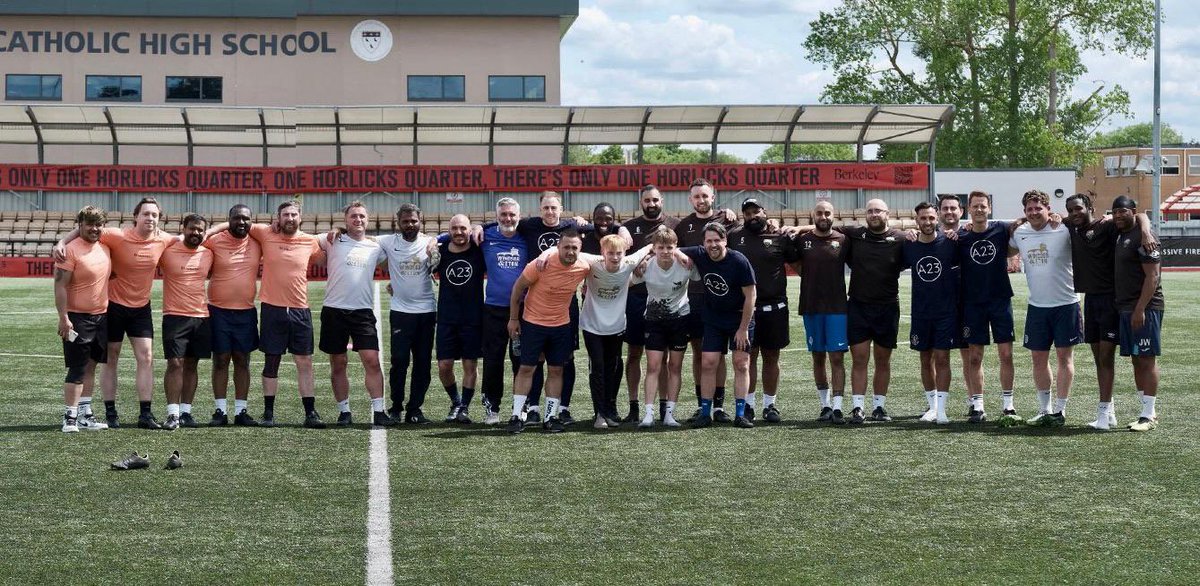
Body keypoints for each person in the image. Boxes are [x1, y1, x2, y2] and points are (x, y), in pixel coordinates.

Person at [54, 196, 178, 429]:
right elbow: (88, 227)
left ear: (159, 219)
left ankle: (145, 414)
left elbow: (193, 237)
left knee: (147, 357)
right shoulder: (117, 235)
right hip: (112, 307)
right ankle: (109, 413)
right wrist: (62, 241)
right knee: (108, 359)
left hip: (141, 308)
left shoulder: (164, 239)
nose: (150, 218)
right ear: (135, 217)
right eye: (145, 214)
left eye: (154, 215)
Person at [1064, 192, 1156, 430]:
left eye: (1078, 209)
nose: (1074, 213)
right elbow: (1043, 217)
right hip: (1091, 299)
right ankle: (1108, 413)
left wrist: (1146, 230)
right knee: (1099, 358)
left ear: (1089, 207)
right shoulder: (1071, 226)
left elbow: (1140, 215)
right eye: (1070, 210)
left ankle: (1140, 412)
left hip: (1112, 300)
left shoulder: (1108, 226)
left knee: (1113, 356)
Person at [244, 200, 326, 428]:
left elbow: (329, 256)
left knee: (305, 361)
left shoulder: (310, 241)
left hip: (300, 309)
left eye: (293, 215)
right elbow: (237, 225)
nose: (290, 218)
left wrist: (336, 234)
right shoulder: (264, 232)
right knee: (272, 361)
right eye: (285, 215)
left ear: (300, 217)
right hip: (272, 309)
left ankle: (310, 413)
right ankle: (268, 413)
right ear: (278, 218)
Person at [317, 201, 396, 428]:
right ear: (346, 220)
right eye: (353, 216)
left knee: (371, 360)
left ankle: (379, 410)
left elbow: (394, 264)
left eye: (362, 216)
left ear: (367, 220)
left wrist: (395, 282)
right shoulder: (332, 239)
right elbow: (304, 241)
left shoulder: (375, 246)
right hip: (333, 310)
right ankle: (344, 411)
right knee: (338, 362)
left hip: (362, 312)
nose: (358, 220)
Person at [506, 228, 592, 434]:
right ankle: (517, 416)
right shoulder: (540, 265)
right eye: (566, 247)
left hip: (561, 326)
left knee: (556, 370)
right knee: (527, 368)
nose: (570, 252)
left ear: (580, 249)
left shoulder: (584, 266)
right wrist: (513, 319)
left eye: (574, 248)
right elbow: (518, 289)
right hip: (533, 323)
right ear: (558, 247)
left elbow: (607, 261)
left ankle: (550, 417)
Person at [1009, 189, 1081, 426]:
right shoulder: (1020, 232)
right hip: (1037, 306)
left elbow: (1087, 223)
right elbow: (1007, 248)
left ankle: (1060, 410)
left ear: (1048, 209)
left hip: (1066, 304)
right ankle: (1044, 409)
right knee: (1038, 358)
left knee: (1064, 358)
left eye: (1038, 208)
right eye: (1029, 209)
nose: (1034, 213)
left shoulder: (1064, 229)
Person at [728, 197, 799, 423]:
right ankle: (748, 404)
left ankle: (770, 405)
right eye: (747, 213)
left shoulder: (781, 237)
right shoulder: (735, 236)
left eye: (756, 211)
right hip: (745, 310)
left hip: (775, 307)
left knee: (771, 357)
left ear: (764, 211)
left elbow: (799, 265)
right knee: (748, 359)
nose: (752, 216)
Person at [680, 222, 757, 429]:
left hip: (739, 319)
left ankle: (740, 414)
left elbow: (751, 296)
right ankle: (706, 413)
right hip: (713, 318)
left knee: (741, 364)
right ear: (703, 243)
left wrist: (743, 328)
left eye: (717, 240)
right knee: (708, 362)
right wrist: (682, 257)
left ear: (724, 241)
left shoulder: (739, 261)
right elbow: (669, 248)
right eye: (709, 241)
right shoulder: (700, 254)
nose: (713, 245)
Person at [674, 178, 739, 422]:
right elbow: (673, 250)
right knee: (700, 352)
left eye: (705, 196)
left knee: (718, 354)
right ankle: (704, 405)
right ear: (690, 200)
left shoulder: (728, 220)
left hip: (722, 298)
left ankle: (719, 407)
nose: (701, 200)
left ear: (713, 197)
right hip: (693, 297)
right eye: (696, 197)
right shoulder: (683, 226)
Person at [956, 191, 1019, 424]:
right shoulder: (962, 237)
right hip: (973, 303)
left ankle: (1008, 405)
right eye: (975, 206)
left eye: (983, 206)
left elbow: (1022, 222)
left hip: (1000, 299)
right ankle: (978, 406)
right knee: (975, 357)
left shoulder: (1001, 229)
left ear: (989, 208)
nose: (980, 209)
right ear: (969, 210)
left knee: (1006, 354)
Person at [620, 185, 680, 422]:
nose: (651, 204)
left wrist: (726, 212)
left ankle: (665, 407)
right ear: (641, 202)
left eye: (655, 200)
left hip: (666, 300)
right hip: (636, 298)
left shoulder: (676, 224)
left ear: (662, 200)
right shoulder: (628, 227)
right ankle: (634, 406)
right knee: (634, 354)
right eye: (647, 200)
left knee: (662, 357)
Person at [843, 198, 905, 424]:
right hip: (858, 306)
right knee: (859, 359)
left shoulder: (900, 239)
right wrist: (797, 227)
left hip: (888, 307)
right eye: (870, 211)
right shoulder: (855, 235)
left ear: (888, 214)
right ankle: (858, 408)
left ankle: (879, 407)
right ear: (865, 215)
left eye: (878, 210)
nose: (874, 214)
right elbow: (823, 225)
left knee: (882, 360)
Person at [377, 203, 438, 424]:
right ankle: (395, 406)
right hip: (401, 312)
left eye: (414, 221)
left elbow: (455, 235)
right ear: (398, 223)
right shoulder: (387, 241)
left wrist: (434, 243)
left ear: (420, 222)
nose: (410, 224)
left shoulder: (429, 242)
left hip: (427, 312)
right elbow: (361, 239)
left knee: (422, 362)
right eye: (406, 221)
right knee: (399, 361)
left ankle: (415, 409)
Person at [631, 227, 698, 428]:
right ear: (654, 248)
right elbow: (627, 281)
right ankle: (649, 414)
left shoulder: (685, 265)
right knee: (653, 366)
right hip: (654, 320)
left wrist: (684, 256)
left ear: (675, 247)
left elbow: (700, 276)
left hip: (680, 319)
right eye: (661, 247)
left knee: (675, 367)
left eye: (670, 247)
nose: (666, 251)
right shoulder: (647, 266)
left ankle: (669, 414)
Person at [54, 206, 111, 432]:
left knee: (91, 365)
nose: (94, 228)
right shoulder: (69, 250)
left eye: (98, 224)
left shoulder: (105, 248)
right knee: (77, 368)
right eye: (90, 224)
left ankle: (85, 414)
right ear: (80, 226)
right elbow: (59, 285)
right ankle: (70, 416)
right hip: (77, 318)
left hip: (101, 317)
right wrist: (63, 318)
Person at [1111, 196, 1165, 432]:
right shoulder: (1122, 233)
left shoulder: (1146, 238)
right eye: (1115, 212)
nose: (1118, 216)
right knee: (1136, 358)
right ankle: (1146, 411)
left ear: (1132, 211)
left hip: (1145, 307)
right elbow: (1143, 215)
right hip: (1125, 307)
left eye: (1123, 211)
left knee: (1147, 358)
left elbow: (1152, 278)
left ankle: (1149, 414)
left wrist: (1140, 309)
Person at [204, 204, 261, 426]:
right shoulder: (214, 241)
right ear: (229, 221)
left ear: (251, 221)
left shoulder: (258, 242)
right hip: (218, 311)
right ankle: (220, 411)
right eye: (236, 218)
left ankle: (240, 411)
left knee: (242, 360)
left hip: (246, 312)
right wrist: (211, 230)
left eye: (246, 219)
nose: (241, 223)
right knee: (220, 360)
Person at [904, 202, 960, 424]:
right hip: (920, 312)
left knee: (943, 358)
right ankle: (933, 407)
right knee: (925, 359)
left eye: (930, 218)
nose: (927, 222)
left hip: (945, 312)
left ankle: (943, 409)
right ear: (916, 220)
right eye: (923, 218)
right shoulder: (909, 245)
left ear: (936, 218)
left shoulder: (950, 243)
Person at [794, 201, 849, 424]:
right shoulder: (802, 240)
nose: (823, 216)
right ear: (812, 215)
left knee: (837, 357)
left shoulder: (844, 240)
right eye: (819, 213)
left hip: (837, 307)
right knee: (817, 356)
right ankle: (824, 405)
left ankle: (837, 407)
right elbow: (795, 263)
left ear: (834, 215)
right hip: (811, 306)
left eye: (827, 212)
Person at [158, 214, 214, 430]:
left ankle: (186, 412)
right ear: (183, 228)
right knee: (175, 364)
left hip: (201, 317)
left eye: (200, 230)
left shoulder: (209, 254)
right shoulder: (167, 251)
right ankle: (172, 414)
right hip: (174, 316)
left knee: (192, 364)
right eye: (192, 229)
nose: (196, 233)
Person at [477, 198, 528, 425]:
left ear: (519, 216)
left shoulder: (527, 236)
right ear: (496, 216)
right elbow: (452, 236)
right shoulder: (485, 236)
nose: (508, 219)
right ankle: (492, 408)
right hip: (494, 310)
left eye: (512, 215)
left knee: (522, 360)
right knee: (493, 360)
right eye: (503, 215)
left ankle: (521, 407)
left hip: (524, 309)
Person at [434, 214, 486, 424]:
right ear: (449, 230)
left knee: (469, 365)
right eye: (454, 229)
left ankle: (464, 407)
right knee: (444, 366)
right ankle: (455, 401)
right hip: (447, 317)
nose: (458, 232)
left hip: (473, 317)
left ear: (469, 229)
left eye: (463, 228)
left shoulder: (478, 250)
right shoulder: (441, 251)